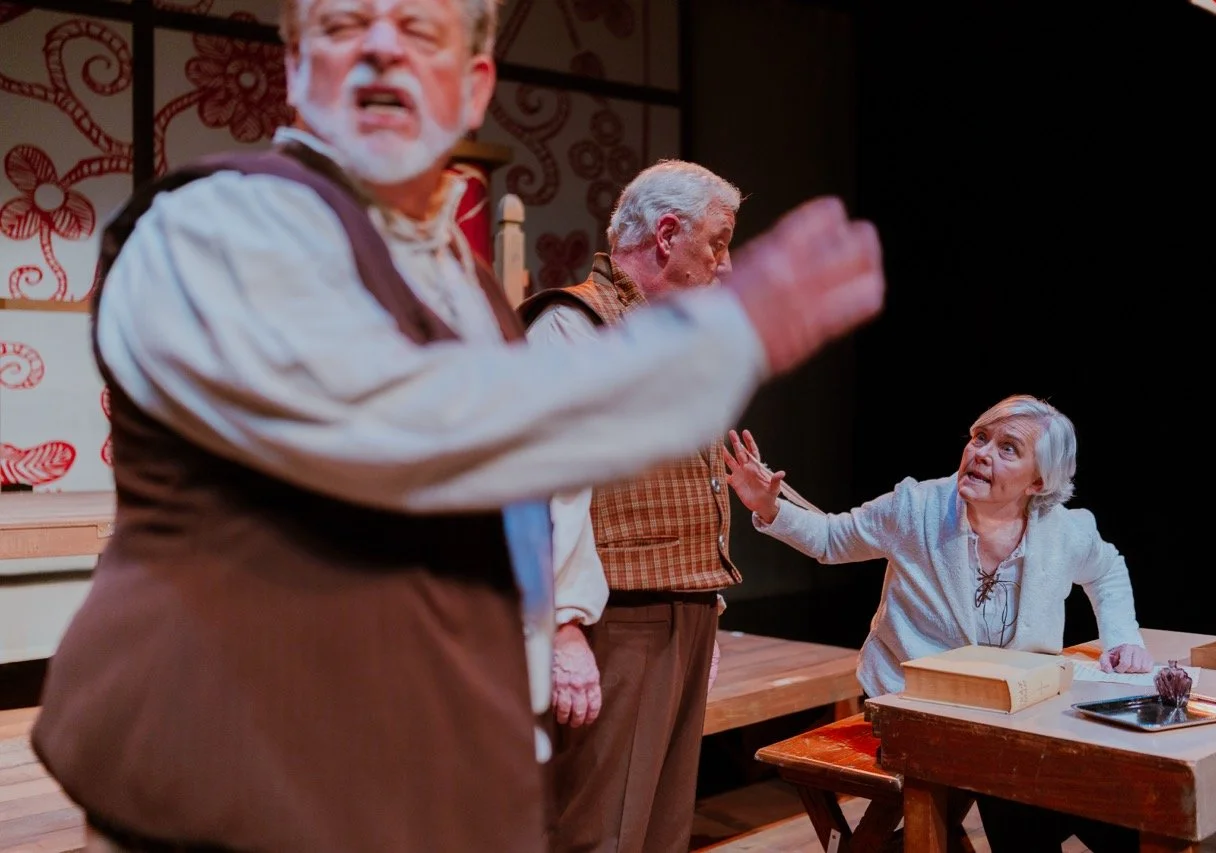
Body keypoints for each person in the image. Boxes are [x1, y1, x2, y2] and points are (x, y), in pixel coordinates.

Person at [30, 1, 887, 852]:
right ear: (294, 70)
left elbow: (523, 501)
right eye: (340, 25)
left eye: (419, 30)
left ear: (474, 87)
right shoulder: (212, 227)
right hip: (228, 781)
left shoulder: (468, 287)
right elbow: (390, 431)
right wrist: (713, 345)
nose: (378, 47)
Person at [722, 393, 1153, 853]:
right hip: (915, 702)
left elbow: (1107, 569)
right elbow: (832, 538)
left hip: (1017, 706)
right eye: (980, 438)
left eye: (1008, 448)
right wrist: (769, 508)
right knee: (1016, 779)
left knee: (1110, 793)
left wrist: (1122, 639)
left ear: (1039, 481)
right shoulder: (918, 509)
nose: (981, 453)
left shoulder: (1064, 531)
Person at [519, 159, 743, 853]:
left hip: (681, 609)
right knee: (601, 830)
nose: (727, 265)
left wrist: (706, 601)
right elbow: (543, 485)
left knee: (661, 827)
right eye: (718, 241)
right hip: (618, 618)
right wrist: (563, 627)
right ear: (668, 233)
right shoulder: (575, 325)